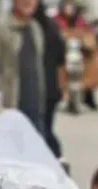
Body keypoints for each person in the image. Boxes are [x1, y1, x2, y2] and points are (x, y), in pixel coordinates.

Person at [0, 0, 46, 135]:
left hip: (35, 111)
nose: (28, 2)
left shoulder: (35, 28)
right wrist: (4, 90)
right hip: (11, 110)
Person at [55, 1, 98, 111]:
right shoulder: (56, 20)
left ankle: (89, 96)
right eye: (66, 6)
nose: (69, 9)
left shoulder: (80, 21)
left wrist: (86, 38)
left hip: (79, 53)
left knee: (91, 65)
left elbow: (89, 33)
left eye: (71, 6)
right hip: (63, 53)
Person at [33, 1, 65, 156]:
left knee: (41, 129)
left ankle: (55, 156)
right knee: (47, 126)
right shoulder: (52, 26)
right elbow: (61, 58)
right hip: (53, 89)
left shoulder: (32, 29)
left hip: (39, 88)